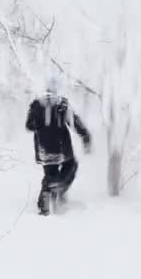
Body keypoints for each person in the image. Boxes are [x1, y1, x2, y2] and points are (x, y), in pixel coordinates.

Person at [25, 78, 91, 215]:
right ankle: (58, 189)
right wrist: (85, 136)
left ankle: (45, 205)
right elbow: (75, 122)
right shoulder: (62, 104)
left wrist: (38, 120)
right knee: (71, 165)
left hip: (43, 149)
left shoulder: (36, 105)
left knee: (50, 174)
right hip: (61, 148)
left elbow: (29, 126)